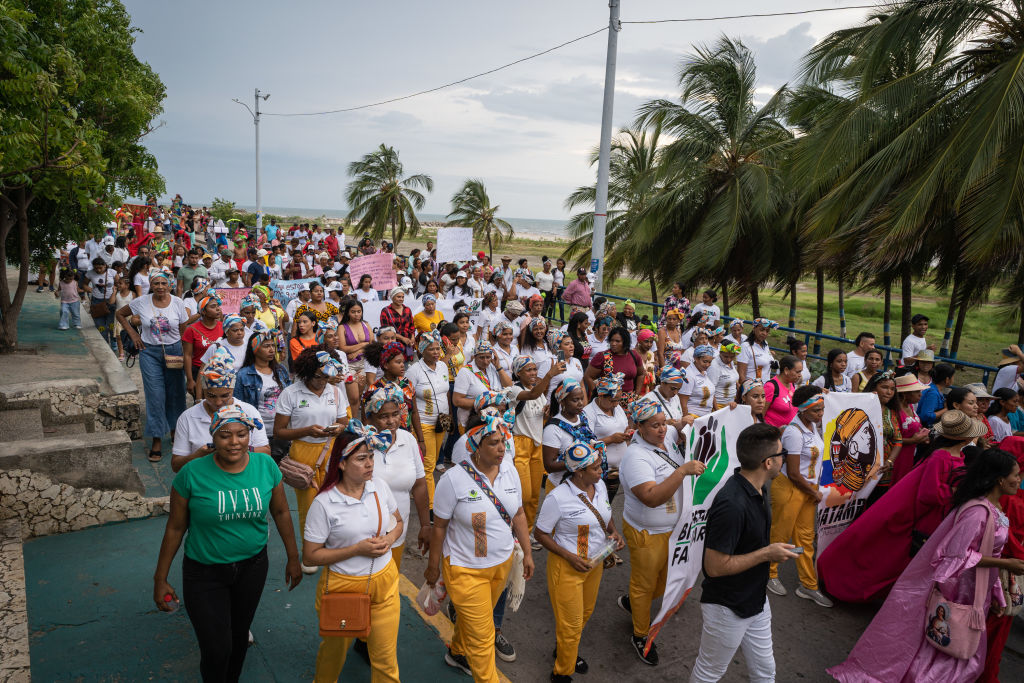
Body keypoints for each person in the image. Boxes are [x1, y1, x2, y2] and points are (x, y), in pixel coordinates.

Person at [828, 448, 1023, 683]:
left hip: (975, 591)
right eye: (1016, 475)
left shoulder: (996, 509)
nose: (1019, 480)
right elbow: (957, 555)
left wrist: (996, 594)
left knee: (956, 649)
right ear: (1000, 479)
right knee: (944, 648)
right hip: (959, 590)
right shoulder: (978, 512)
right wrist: (1005, 564)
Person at [153, 405, 302, 683]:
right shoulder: (191, 473)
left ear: (250, 435)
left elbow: (281, 512)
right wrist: (160, 578)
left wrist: (294, 557)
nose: (234, 442)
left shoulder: (266, 466)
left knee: (238, 638)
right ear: (213, 437)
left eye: (241, 434)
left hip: (252, 567)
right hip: (204, 572)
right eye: (225, 435)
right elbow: (175, 527)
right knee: (216, 648)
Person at [817, 410, 987, 602]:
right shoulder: (941, 456)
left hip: (921, 513)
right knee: (880, 554)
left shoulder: (954, 455)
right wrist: (955, 492)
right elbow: (928, 493)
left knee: (884, 556)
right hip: (912, 514)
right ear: (966, 438)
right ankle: (841, 583)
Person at [425, 413, 535, 682]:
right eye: (494, 443)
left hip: (500, 565)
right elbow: (439, 527)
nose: (502, 448)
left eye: (503, 441)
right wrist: (432, 567)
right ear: (475, 445)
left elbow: (519, 513)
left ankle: (457, 652)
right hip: (464, 569)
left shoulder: (509, 470)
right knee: (484, 637)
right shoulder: (453, 480)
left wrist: (528, 553)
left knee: (475, 620)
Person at [689, 423, 796, 683]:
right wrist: (766, 554)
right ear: (768, 462)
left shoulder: (761, 487)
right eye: (782, 454)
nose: (785, 459)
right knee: (710, 672)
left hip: (756, 600)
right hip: (727, 607)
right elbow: (714, 567)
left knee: (765, 670)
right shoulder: (732, 505)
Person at [303, 423, 405, 683]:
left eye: (371, 456)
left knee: (386, 662)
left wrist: (389, 539)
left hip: (385, 582)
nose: (369, 463)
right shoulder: (324, 503)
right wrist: (357, 549)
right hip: (343, 587)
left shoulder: (379, 486)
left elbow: (398, 522)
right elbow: (311, 556)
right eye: (361, 458)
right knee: (333, 656)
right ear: (341, 463)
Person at [618, 397, 706, 665]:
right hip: (648, 533)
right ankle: (640, 634)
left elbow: (679, 428)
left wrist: (685, 423)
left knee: (666, 580)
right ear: (639, 427)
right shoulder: (635, 457)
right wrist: (682, 472)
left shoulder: (665, 437)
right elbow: (651, 497)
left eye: (662, 423)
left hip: (675, 530)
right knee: (645, 585)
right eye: (654, 425)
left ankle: (634, 603)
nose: (661, 429)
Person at [535, 441, 625, 683]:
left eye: (600, 465)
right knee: (572, 625)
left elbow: (605, 514)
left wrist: (614, 532)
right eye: (595, 468)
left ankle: (565, 648)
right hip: (567, 568)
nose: (601, 471)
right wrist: (569, 556)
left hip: (594, 563)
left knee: (584, 613)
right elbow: (540, 534)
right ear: (578, 472)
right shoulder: (558, 498)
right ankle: (561, 673)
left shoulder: (600, 486)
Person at [274, 347, 351, 573]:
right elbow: (279, 431)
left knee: (335, 500)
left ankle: (332, 546)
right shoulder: (291, 393)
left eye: (326, 377)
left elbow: (344, 421)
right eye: (318, 376)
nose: (322, 381)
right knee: (308, 505)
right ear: (306, 372)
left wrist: (338, 428)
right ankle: (310, 553)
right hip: (303, 453)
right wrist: (307, 431)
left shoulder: (335, 392)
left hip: (331, 451)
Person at [766, 386, 833, 607]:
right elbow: (794, 473)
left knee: (805, 538)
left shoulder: (812, 426)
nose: (820, 414)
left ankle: (808, 585)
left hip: (807, 489)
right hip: (790, 488)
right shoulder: (793, 432)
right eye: (816, 410)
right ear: (803, 410)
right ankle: (769, 573)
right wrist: (813, 492)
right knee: (781, 534)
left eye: (822, 409)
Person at [117, 271, 188, 462]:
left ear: (170, 285)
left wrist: (185, 352)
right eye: (156, 283)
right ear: (150, 285)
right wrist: (133, 334)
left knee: (176, 393)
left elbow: (183, 331)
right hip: (149, 352)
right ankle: (157, 438)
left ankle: (175, 431)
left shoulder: (178, 303)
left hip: (174, 351)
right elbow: (120, 314)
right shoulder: (142, 301)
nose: (160, 287)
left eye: (164, 283)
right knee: (155, 395)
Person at [362, 384, 431, 570]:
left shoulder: (408, 440)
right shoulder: (361, 443)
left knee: (392, 576)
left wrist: (425, 525)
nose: (391, 421)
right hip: (365, 535)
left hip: (398, 532)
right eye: (383, 416)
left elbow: (419, 485)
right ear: (370, 418)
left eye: (395, 414)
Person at [171, 347, 271, 473]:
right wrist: (198, 455)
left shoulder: (249, 411)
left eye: (225, 396)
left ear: (233, 390)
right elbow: (176, 466)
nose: (218, 402)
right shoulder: (188, 417)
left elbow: (265, 452)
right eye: (211, 396)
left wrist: (237, 449)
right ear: (203, 391)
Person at [508, 354, 564, 529]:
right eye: (528, 370)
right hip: (521, 445)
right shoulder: (514, 390)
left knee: (533, 497)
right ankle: (513, 531)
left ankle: (527, 531)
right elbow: (532, 395)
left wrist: (546, 414)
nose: (533, 373)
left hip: (537, 445)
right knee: (523, 495)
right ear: (518, 373)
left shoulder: (538, 391)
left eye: (534, 369)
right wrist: (550, 374)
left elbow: (537, 410)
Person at [234, 328, 292, 463]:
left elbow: (290, 398)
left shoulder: (281, 370)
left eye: (273, 345)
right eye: (266, 346)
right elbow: (238, 406)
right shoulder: (243, 375)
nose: (271, 350)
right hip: (257, 433)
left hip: (280, 432)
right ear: (254, 349)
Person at [581, 373, 632, 498]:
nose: (616, 404)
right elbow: (585, 444)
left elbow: (624, 426)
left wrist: (628, 432)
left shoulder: (617, 408)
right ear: (601, 396)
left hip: (619, 470)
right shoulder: (588, 413)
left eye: (618, 400)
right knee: (598, 502)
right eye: (613, 400)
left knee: (608, 503)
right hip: (601, 471)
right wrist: (611, 439)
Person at [452, 341, 512, 426]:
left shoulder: (493, 367)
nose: (485, 361)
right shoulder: (465, 372)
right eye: (481, 357)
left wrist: (498, 367)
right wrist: (486, 403)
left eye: (488, 357)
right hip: (472, 422)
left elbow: (509, 386)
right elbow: (457, 401)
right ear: (474, 356)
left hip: (494, 420)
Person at [584, 328, 643, 405]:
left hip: (630, 401)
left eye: (617, 341)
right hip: (609, 402)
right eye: (611, 340)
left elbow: (641, 374)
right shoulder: (603, 356)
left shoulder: (634, 355)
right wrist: (599, 395)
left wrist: (637, 394)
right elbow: (588, 376)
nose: (613, 344)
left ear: (625, 342)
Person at [891, 373, 931, 484]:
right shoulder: (894, 411)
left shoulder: (911, 406)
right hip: (896, 457)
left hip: (909, 455)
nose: (920, 395)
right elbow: (890, 439)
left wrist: (922, 436)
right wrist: (913, 440)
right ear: (905, 394)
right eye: (917, 392)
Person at [182, 292, 223, 396]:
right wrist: (190, 380)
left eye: (218, 306)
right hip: (198, 372)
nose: (218, 309)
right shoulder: (191, 330)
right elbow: (187, 355)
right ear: (203, 311)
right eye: (213, 307)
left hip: (220, 371)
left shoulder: (224, 327)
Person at [83, 258, 117, 349]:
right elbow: (84, 284)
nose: (98, 270)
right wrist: (89, 289)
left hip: (111, 301)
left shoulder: (112, 272)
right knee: (100, 325)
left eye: (100, 268)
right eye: (96, 268)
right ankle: (105, 344)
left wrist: (115, 292)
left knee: (111, 324)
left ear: (105, 266)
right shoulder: (90, 273)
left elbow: (118, 283)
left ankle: (114, 341)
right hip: (97, 302)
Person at [762, 355, 804, 428]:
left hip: (788, 432)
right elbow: (760, 415)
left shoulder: (791, 384)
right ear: (786, 370)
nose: (800, 375)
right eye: (797, 372)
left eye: (800, 372)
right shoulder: (771, 387)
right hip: (772, 432)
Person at [736, 318, 778, 382]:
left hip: (766, 386)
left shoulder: (765, 344)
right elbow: (741, 375)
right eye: (762, 330)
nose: (764, 333)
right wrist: (745, 387)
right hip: (752, 386)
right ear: (754, 329)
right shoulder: (745, 347)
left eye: (767, 331)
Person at [918, 361, 956, 427]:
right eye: (953, 377)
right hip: (924, 427)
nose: (953, 379)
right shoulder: (932, 393)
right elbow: (926, 416)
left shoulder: (935, 389)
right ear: (947, 379)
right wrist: (947, 409)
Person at [380, 287, 416, 354]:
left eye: (402, 297)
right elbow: (386, 330)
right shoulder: (386, 311)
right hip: (393, 344)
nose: (401, 299)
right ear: (392, 297)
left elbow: (412, 326)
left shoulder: (407, 309)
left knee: (409, 360)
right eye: (398, 297)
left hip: (408, 344)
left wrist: (412, 338)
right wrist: (402, 338)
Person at [707, 341, 741, 409]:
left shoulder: (730, 363)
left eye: (732, 357)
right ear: (720, 352)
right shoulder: (714, 366)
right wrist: (717, 410)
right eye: (726, 356)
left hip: (731, 403)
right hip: (719, 405)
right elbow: (710, 390)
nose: (729, 359)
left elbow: (734, 380)